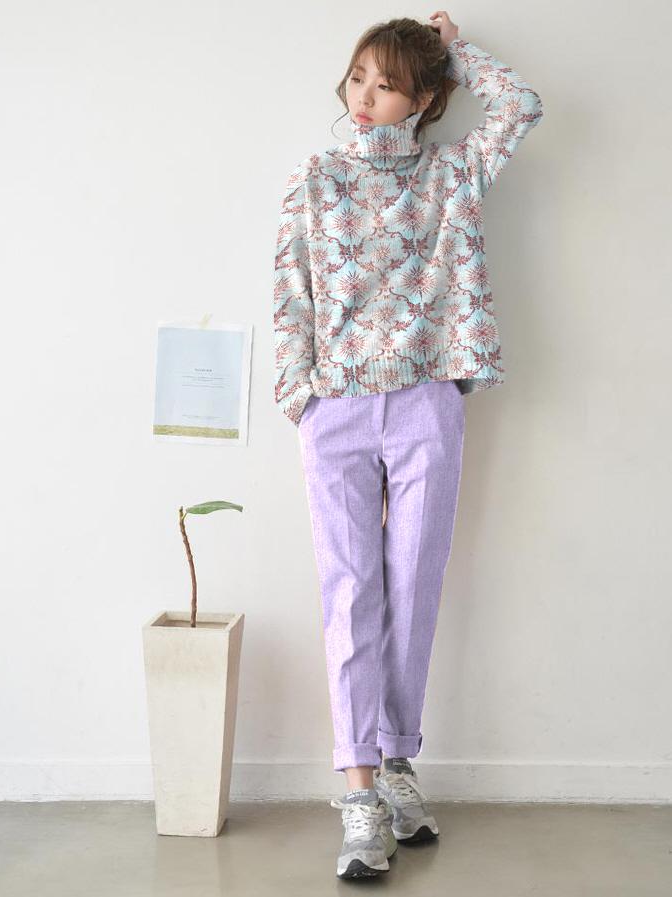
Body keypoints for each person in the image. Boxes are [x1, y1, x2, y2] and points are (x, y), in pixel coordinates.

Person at [272, 10, 543, 880]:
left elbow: (521, 107)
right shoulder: (316, 178)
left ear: (423, 100)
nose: (364, 96)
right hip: (337, 406)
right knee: (350, 591)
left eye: (387, 85)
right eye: (359, 77)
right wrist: (301, 396)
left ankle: (395, 763)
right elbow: (291, 292)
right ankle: (359, 792)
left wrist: (457, 48)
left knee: (413, 586)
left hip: (427, 398)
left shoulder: (452, 173)